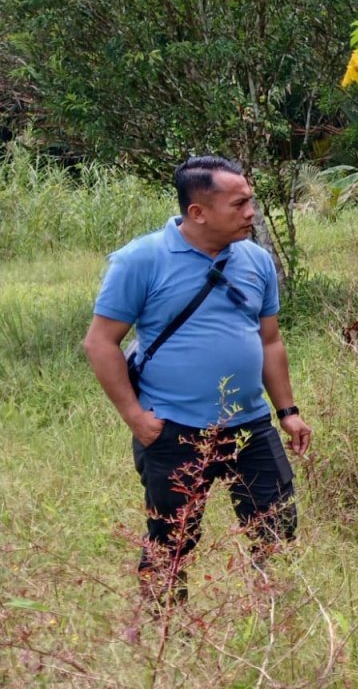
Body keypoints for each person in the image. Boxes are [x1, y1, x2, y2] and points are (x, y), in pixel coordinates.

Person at [83, 155, 311, 606]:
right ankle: (166, 627)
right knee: (171, 539)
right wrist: (136, 418)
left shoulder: (256, 261)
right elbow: (100, 343)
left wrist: (288, 412)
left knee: (277, 527)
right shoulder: (141, 260)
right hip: (173, 428)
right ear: (197, 212)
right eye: (239, 204)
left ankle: (273, 620)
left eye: (251, 201)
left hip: (250, 426)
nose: (251, 213)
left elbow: (269, 341)